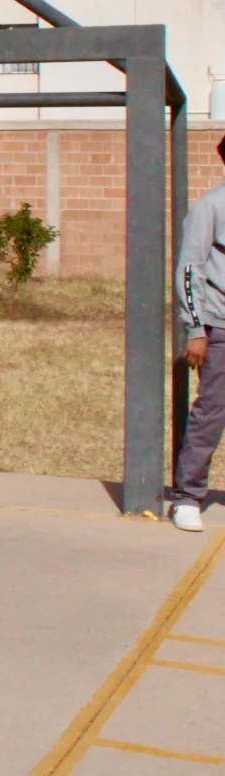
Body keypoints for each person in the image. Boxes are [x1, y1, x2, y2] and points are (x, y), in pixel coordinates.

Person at [170, 136, 225, 532]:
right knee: (212, 413)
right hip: (219, 325)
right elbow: (190, 269)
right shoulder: (211, 206)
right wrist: (195, 328)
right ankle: (188, 496)